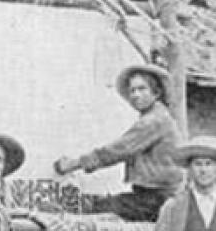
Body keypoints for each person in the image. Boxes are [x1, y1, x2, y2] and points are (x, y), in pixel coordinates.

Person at [54, 64, 183, 222]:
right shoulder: (156, 117)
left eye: (142, 89)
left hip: (158, 199)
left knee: (93, 208)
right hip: (153, 197)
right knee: (100, 204)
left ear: (156, 93)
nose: (136, 95)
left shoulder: (154, 121)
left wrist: (74, 164)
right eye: (132, 91)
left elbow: (118, 150)